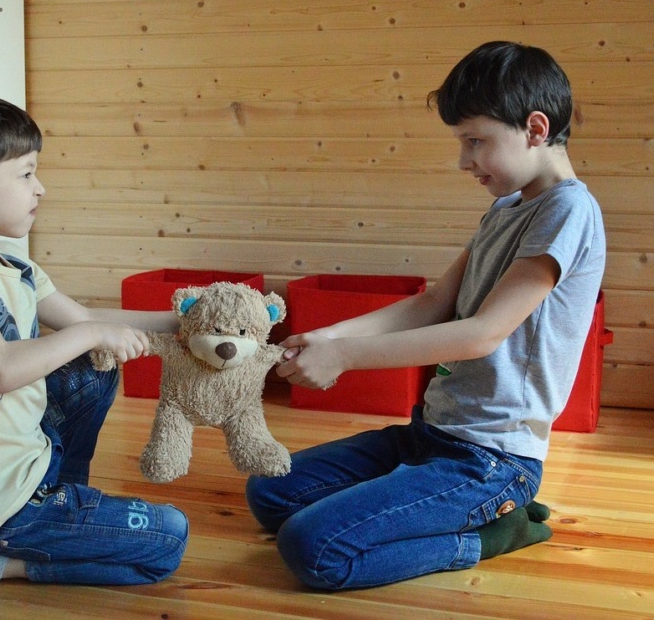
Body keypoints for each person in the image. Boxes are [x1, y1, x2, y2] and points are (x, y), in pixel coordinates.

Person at [248, 41, 606, 590]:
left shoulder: (569, 210)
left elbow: (482, 334)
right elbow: (431, 303)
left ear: (536, 128)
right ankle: (414, 505)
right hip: (430, 434)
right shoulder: (506, 208)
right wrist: (328, 334)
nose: (464, 160)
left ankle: (491, 533)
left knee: (313, 548)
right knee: (270, 491)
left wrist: (345, 356)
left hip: (491, 461)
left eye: (476, 141)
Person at [0, 89, 188, 584]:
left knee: (94, 371)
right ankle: (3, 558)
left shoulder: (15, 266)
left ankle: (62, 502)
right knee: (168, 540)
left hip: (34, 464)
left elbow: (83, 320)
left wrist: (183, 322)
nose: (41, 189)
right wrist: (95, 332)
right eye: (27, 173)